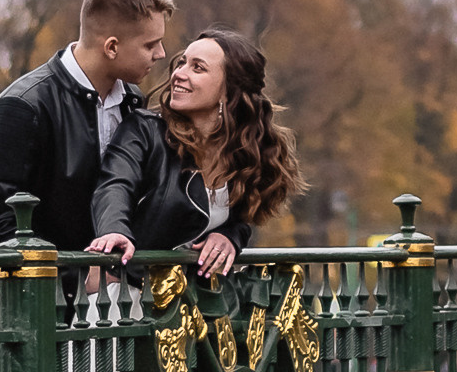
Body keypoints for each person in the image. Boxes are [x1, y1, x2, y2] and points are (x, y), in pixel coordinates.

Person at [0, 0, 175, 253]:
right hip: (40, 293)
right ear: (111, 47)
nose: (161, 53)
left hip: (114, 291)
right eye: (150, 44)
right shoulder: (22, 106)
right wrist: (76, 276)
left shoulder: (133, 101)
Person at [85, 29, 302, 275]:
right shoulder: (145, 130)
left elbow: (239, 216)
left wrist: (229, 236)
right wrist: (114, 230)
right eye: (181, 63)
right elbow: (115, 184)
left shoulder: (244, 153)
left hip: (186, 302)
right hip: (124, 293)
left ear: (228, 90)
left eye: (197, 68)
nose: (178, 74)